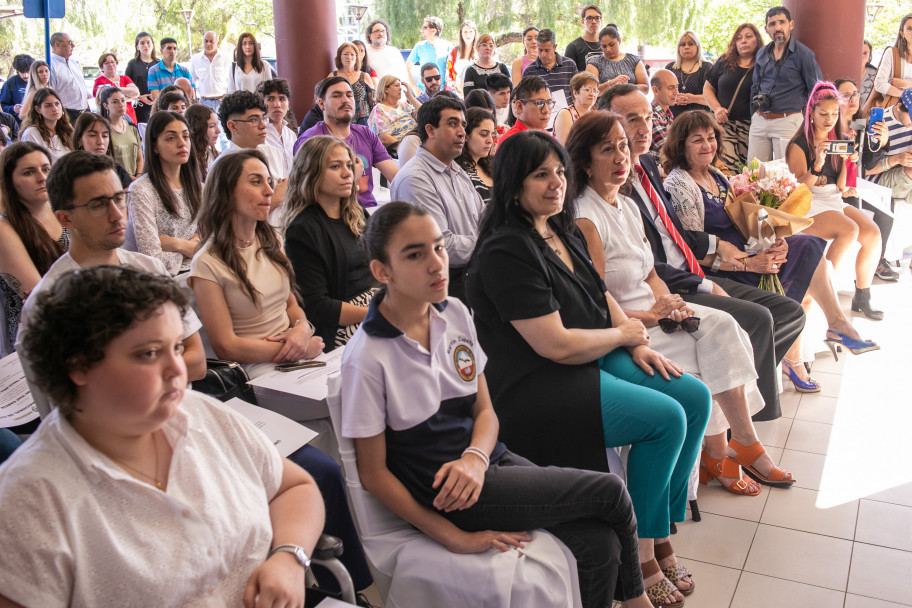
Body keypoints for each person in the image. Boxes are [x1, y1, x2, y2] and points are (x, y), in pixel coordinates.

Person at [342, 201, 655, 608]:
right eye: (415, 255)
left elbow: (485, 411)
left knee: (599, 542)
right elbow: (373, 473)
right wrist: (452, 535)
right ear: (382, 271)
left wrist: (475, 456)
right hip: (449, 494)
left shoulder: (453, 312)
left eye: (438, 248)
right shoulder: (367, 357)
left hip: (487, 462)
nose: (437, 264)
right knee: (610, 492)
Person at [466, 130, 710, 607]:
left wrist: (635, 342)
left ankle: (658, 532)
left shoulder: (560, 226)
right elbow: (554, 345)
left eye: (559, 171)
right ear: (514, 184)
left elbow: (601, 293)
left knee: (694, 399)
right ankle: (641, 556)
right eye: (541, 174)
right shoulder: (506, 249)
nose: (556, 183)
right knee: (665, 420)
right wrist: (623, 335)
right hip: (537, 379)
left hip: (592, 348)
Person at [4, 264, 323, 607]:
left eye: (176, 348)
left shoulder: (201, 413)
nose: (177, 369)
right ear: (78, 366)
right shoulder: (30, 499)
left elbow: (294, 488)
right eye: (149, 354)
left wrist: (289, 557)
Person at [568, 111, 794, 499]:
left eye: (624, 146)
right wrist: (649, 315)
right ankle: (726, 451)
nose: (622, 156)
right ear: (586, 163)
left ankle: (738, 443)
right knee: (710, 351)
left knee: (727, 327)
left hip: (655, 314)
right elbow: (594, 298)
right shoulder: (587, 217)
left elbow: (650, 273)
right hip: (626, 328)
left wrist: (669, 302)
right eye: (608, 149)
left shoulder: (627, 206)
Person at [188, 149, 374, 595]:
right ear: (226, 192)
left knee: (365, 395)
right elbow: (227, 342)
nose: (268, 189)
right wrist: (287, 349)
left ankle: (373, 527)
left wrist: (304, 332)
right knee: (334, 425)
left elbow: (296, 307)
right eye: (255, 181)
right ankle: (344, 571)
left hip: (296, 357)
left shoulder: (269, 240)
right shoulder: (207, 263)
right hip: (255, 372)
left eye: (268, 180)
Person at [601, 84, 806, 420]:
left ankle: (735, 400)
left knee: (790, 311)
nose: (643, 127)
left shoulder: (651, 166)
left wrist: (764, 239)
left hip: (698, 264)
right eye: (631, 119)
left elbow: (677, 232)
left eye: (648, 117)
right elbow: (649, 262)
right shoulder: (619, 182)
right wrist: (714, 275)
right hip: (673, 282)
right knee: (758, 318)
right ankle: (749, 423)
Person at [663, 110, 879, 392]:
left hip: (751, 253)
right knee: (808, 279)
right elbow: (692, 250)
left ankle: (833, 326)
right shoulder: (679, 183)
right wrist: (750, 265)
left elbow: (747, 220)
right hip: (726, 269)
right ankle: (806, 348)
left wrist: (775, 239)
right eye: (697, 140)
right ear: (680, 145)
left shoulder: (717, 175)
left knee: (809, 246)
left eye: (711, 137)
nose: (707, 145)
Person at [16, 151, 207, 412]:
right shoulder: (48, 302)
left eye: (119, 199)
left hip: (182, 411)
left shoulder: (150, 269)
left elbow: (197, 361)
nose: (117, 214)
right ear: (65, 218)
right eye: (98, 204)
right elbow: (69, 405)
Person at [785, 82, 885, 320]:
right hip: (808, 200)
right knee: (849, 229)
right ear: (811, 112)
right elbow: (797, 189)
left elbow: (841, 187)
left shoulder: (839, 138)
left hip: (833, 197)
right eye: (823, 114)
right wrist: (818, 163)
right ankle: (822, 290)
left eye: (834, 113)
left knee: (872, 233)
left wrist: (849, 162)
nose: (829, 119)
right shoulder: (799, 144)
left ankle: (863, 295)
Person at [284, 136, 375, 350]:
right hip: (341, 326)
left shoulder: (356, 212)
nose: (347, 173)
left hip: (376, 304)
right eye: (335, 166)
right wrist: (378, 312)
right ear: (311, 172)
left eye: (348, 165)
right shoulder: (303, 229)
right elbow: (317, 306)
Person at [390, 95, 482, 303]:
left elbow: (484, 219)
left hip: (469, 273)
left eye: (463, 125)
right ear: (430, 130)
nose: (462, 132)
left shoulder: (456, 171)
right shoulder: (414, 179)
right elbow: (441, 246)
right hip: (437, 286)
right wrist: (491, 245)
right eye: (452, 124)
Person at [0, 142, 67, 354]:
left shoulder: (63, 209)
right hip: (39, 337)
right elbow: (41, 298)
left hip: (78, 318)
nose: (42, 177)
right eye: (29, 172)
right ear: (10, 181)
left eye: (46, 169)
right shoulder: (4, 228)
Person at [295, 76, 398, 208]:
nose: (345, 100)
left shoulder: (365, 134)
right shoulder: (310, 141)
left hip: (368, 211)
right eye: (336, 96)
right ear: (321, 103)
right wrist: (351, 176)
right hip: (331, 215)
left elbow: (396, 178)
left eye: (349, 95)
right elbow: (307, 193)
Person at [835, 78, 898, 281]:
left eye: (855, 94)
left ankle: (877, 260)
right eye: (846, 95)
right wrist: (842, 188)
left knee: (886, 205)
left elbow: (869, 165)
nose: (853, 99)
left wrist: (881, 143)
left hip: (857, 184)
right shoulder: (829, 127)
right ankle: (853, 270)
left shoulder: (861, 126)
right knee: (853, 204)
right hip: (835, 186)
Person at [124, 111, 201, 277]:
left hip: (203, 269)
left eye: (186, 136)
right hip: (168, 279)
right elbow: (151, 257)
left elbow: (212, 241)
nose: (182, 144)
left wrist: (172, 243)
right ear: (154, 146)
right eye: (171, 138)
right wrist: (188, 247)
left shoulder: (199, 187)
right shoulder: (141, 190)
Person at [747, 6, 823, 162]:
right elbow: (755, 86)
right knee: (754, 173)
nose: (778, 27)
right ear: (766, 29)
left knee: (786, 174)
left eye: (782, 22)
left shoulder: (804, 54)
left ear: (791, 24)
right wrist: (754, 114)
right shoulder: (762, 53)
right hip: (760, 119)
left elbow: (816, 91)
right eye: (772, 24)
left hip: (788, 120)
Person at [704, 23, 762, 173]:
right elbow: (708, 88)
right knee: (728, 166)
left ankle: (742, 196)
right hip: (724, 123)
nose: (743, 41)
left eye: (748, 37)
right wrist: (716, 109)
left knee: (746, 169)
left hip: (749, 126)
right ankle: (727, 195)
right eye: (739, 38)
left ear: (757, 40)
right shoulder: (724, 62)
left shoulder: (764, 65)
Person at [218, 90, 288, 199]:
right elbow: (227, 213)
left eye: (263, 118)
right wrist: (275, 200)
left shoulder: (273, 152)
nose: (263, 125)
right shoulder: (223, 166)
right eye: (254, 120)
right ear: (233, 126)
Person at [863, 87, 912, 208]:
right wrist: (896, 159)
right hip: (878, 179)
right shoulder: (878, 126)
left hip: (903, 176)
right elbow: (864, 170)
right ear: (899, 107)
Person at [71, 113, 133, 188]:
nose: (100, 142)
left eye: (105, 136)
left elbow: (129, 196)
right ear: (79, 140)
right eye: (92, 135)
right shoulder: (70, 174)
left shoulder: (118, 170)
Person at [586, 26, 649, 96]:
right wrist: (611, 83)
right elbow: (589, 90)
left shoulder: (634, 60)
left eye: (612, 44)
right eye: (604, 46)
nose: (608, 49)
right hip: (604, 106)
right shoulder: (594, 63)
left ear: (619, 41)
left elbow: (646, 88)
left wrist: (626, 88)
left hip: (632, 104)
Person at [523, 29, 578, 107]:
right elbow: (526, 98)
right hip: (540, 115)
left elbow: (577, 92)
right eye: (540, 50)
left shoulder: (570, 65)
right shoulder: (529, 71)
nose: (543, 54)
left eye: (547, 50)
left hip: (568, 114)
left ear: (554, 47)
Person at [369, 75, 420, 156]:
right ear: (386, 89)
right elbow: (384, 138)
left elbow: (425, 114)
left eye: (400, 86)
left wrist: (411, 97)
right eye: (396, 86)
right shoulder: (379, 109)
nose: (400, 89)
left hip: (419, 142)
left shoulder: (404, 105)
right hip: (401, 150)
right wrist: (405, 149)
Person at [99, 86, 144, 178]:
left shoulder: (132, 128)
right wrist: (129, 178)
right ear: (106, 105)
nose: (121, 104)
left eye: (123, 100)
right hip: (115, 180)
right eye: (115, 102)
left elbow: (140, 158)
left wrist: (138, 176)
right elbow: (107, 162)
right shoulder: (103, 131)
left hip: (136, 180)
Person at [328, 42, 376, 126]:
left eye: (352, 54)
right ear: (340, 57)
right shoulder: (333, 76)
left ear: (356, 57)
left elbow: (373, 101)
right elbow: (324, 97)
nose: (349, 57)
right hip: (341, 119)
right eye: (345, 54)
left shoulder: (364, 76)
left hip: (364, 121)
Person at [19, 88, 73, 162]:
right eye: (48, 106)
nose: (55, 108)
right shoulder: (31, 133)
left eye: (57, 104)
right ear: (38, 110)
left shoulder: (66, 129)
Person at [665, 31, 711, 117]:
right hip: (673, 120)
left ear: (698, 46)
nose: (686, 47)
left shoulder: (707, 68)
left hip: (699, 120)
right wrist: (673, 99)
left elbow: (715, 99)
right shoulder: (670, 68)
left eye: (691, 44)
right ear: (678, 48)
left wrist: (693, 98)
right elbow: (661, 95)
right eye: (682, 44)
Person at [190, 30, 230, 128]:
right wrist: (195, 100)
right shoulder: (196, 59)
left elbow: (231, 79)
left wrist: (227, 95)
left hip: (221, 101)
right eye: (206, 41)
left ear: (218, 43)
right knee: (205, 131)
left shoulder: (225, 58)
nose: (208, 44)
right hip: (204, 102)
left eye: (211, 41)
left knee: (223, 133)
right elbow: (192, 82)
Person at [455, 107, 495, 205]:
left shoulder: (491, 165)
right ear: (466, 135)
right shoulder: (459, 172)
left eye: (492, 135)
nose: (490, 140)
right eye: (484, 134)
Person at [48, 32, 90, 122]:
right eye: (69, 43)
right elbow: (50, 93)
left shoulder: (74, 63)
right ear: (57, 45)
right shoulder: (50, 66)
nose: (73, 46)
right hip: (66, 115)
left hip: (84, 113)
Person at [405, 16, 452, 95]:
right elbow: (406, 68)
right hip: (423, 93)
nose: (421, 30)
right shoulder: (419, 47)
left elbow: (452, 71)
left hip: (443, 93)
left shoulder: (448, 46)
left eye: (424, 27)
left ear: (433, 31)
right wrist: (414, 87)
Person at [260, 78, 297, 175]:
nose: (277, 104)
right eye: (270, 99)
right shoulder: (259, 134)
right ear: (262, 103)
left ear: (288, 104)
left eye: (282, 99)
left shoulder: (291, 134)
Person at [500, 75, 553, 142]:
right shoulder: (511, 141)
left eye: (548, 103)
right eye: (539, 103)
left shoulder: (547, 136)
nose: (546, 110)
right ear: (519, 106)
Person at [93, 52, 140, 126]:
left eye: (112, 62)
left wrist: (113, 89)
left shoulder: (124, 78)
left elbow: (136, 93)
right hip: (112, 120)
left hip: (130, 117)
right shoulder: (99, 81)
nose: (111, 65)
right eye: (106, 63)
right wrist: (129, 97)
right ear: (102, 67)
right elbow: (103, 99)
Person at [872, 14, 912, 101]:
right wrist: (905, 95)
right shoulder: (892, 53)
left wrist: (906, 85)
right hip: (897, 108)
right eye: (909, 28)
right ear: (902, 33)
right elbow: (879, 84)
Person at [553, 71, 598, 146]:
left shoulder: (596, 114)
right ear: (575, 93)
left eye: (595, 90)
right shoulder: (565, 113)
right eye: (587, 90)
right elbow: (566, 146)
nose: (592, 94)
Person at [125, 32, 158, 131]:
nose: (145, 45)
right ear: (137, 47)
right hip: (138, 105)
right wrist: (139, 97)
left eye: (148, 42)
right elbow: (126, 85)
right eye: (142, 43)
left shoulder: (159, 64)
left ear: (152, 45)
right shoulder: (132, 64)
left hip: (156, 105)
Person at [147, 37, 194, 101]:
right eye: (169, 48)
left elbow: (192, 95)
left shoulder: (185, 71)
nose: (172, 51)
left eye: (175, 48)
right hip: (163, 109)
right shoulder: (153, 71)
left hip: (183, 109)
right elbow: (156, 98)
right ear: (161, 51)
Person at [649, 69, 679, 162]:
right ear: (655, 90)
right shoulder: (651, 116)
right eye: (670, 88)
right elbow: (670, 150)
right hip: (658, 173)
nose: (676, 92)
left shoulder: (667, 114)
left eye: (677, 87)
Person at [185, 102, 220, 181]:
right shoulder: (189, 159)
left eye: (217, 125)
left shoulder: (213, 153)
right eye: (211, 126)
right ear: (197, 128)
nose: (218, 131)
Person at [564, 4, 604, 72]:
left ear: (601, 21)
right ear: (582, 22)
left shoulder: (608, 45)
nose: (594, 21)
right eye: (589, 18)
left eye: (597, 18)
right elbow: (568, 75)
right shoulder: (573, 47)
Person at [446, 21, 478, 96]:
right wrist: (457, 91)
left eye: (471, 31)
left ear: (475, 33)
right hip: (456, 93)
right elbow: (449, 74)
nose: (468, 35)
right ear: (461, 34)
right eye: (465, 32)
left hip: (475, 93)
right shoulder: (454, 52)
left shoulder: (480, 51)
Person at [0, 54, 33, 121]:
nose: (25, 75)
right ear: (17, 70)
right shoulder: (10, 83)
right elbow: (3, 106)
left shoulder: (38, 81)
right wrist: (13, 109)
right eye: (22, 72)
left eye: (27, 71)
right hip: (17, 124)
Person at [860, 39, 878, 105]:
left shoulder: (876, 75)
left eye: (865, 53)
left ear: (869, 56)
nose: (861, 56)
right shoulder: (843, 72)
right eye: (858, 52)